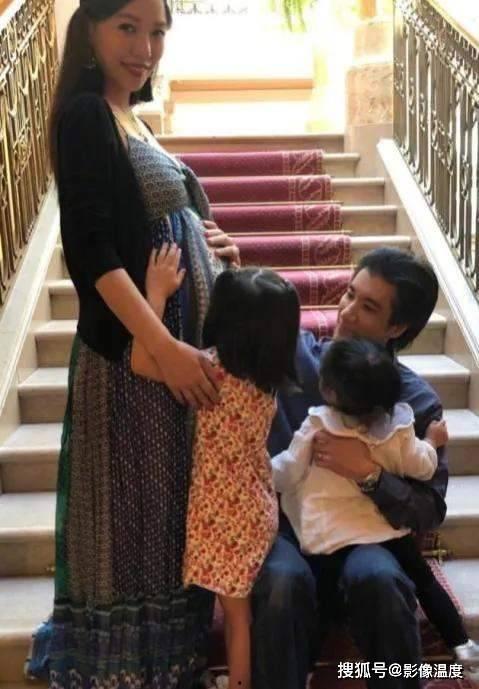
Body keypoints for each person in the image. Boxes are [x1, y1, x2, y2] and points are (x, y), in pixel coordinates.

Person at [33, 1, 241, 687]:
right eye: (127, 27)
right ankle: (129, 672)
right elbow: (92, 251)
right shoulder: (86, 115)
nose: (145, 47)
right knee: (135, 525)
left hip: (168, 360)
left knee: (166, 518)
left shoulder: (134, 120)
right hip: (135, 363)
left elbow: (165, 220)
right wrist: (165, 346)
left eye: (156, 32)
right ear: (89, 30)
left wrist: (216, 246)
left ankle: (170, 664)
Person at [251, 248, 453, 689]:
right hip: (287, 531)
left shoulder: (414, 401)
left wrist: (370, 475)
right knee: (281, 582)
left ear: (397, 327)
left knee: (380, 579)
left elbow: (428, 510)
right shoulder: (298, 358)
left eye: (369, 307)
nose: (346, 312)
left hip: (365, 537)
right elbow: (239, 322)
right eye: (349, 294)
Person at [131, 251, 301, 689]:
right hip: (253, 507)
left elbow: (140, 361)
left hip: (221, 512)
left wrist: (155, 294)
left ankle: (240, 683)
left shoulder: (209, 372)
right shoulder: (267, 379)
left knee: (236, 618)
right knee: (238, 612)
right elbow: (264, 305)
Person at [271, 336, 479, 667]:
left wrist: (260, 468)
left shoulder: (318, 428)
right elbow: (424, 467)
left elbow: (287, 473)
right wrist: (431, 440)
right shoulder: (397, 429)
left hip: (329, 538)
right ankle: (462, 645)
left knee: (319, 602)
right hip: (385, 533)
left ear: (329, 391)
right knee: (424, 580)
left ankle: (306, 667)